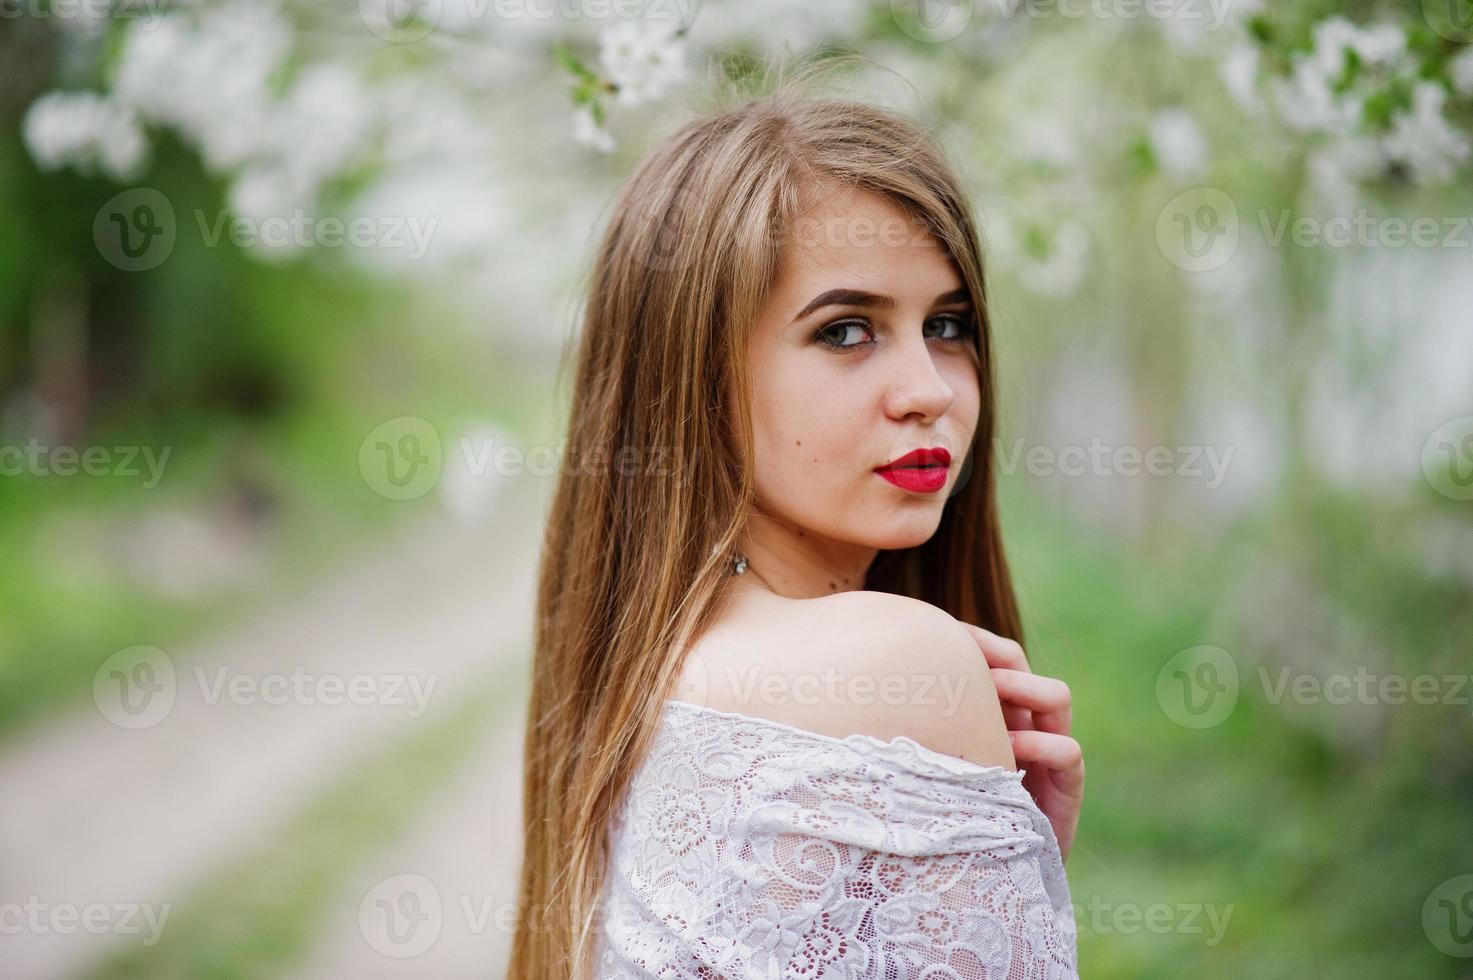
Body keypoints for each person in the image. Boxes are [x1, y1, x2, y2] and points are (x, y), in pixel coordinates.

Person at [511, 69, 1084, 980]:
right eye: (846, 331)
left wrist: (990, 860)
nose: (930, 391)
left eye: (947, 325)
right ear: (690, 375)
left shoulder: (648, 673)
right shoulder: (890, 663)